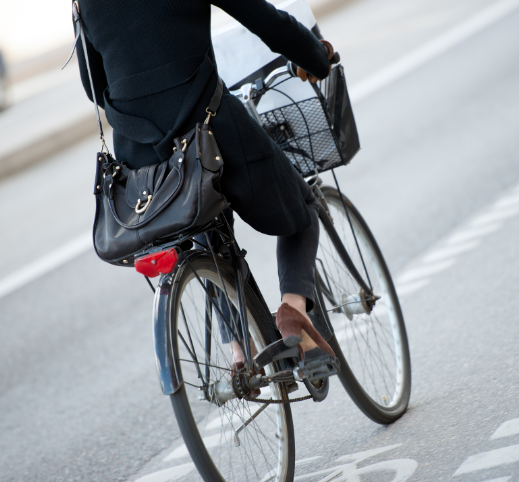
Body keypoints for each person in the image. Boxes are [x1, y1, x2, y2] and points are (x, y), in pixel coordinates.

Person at [73, 0, 335, 367]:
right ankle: (294, 312)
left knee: (197, 226)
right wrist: (315, 57)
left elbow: (93, 85)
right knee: (302, 206)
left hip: (144, 163)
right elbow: (264, 20)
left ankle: (240, 346)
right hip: (210, 129)